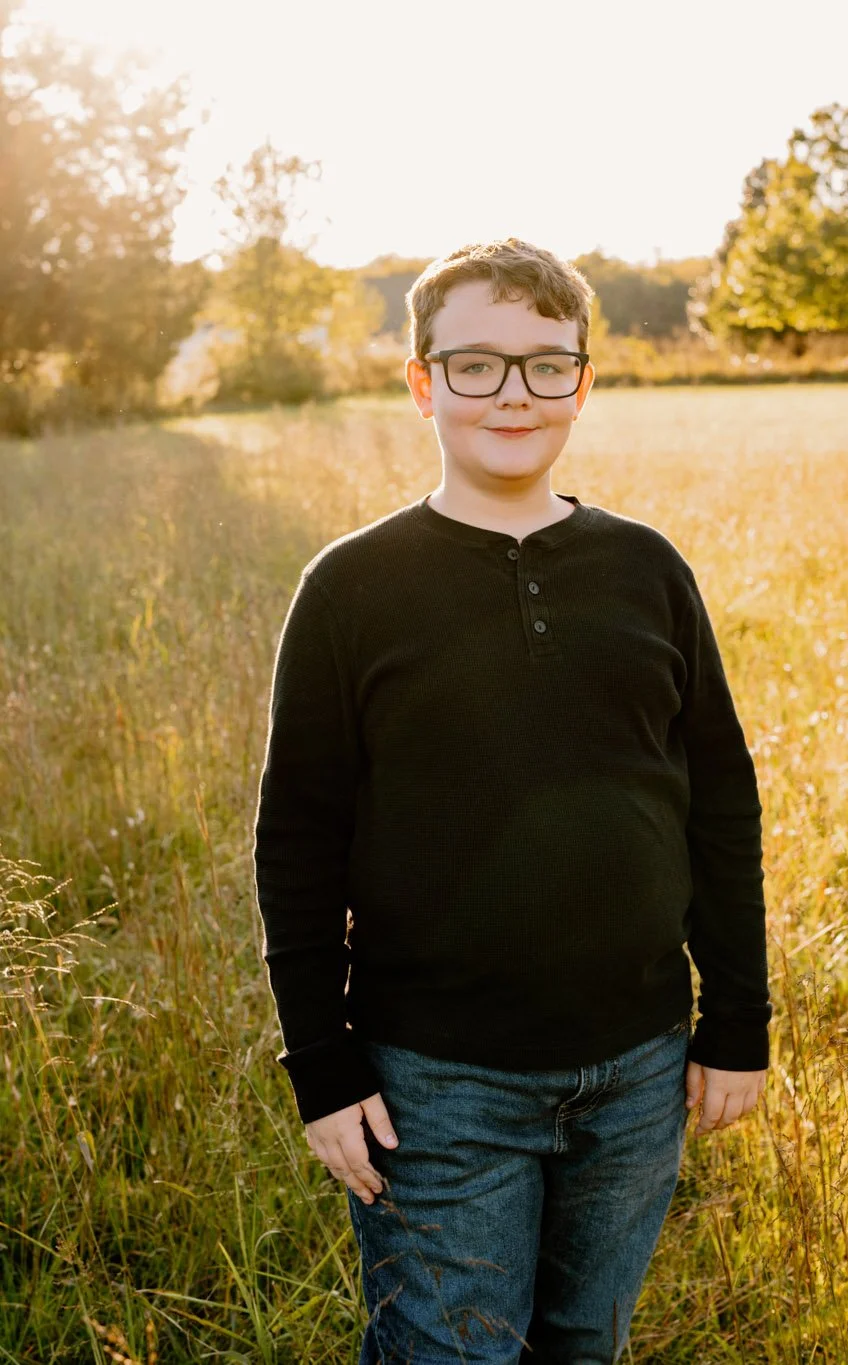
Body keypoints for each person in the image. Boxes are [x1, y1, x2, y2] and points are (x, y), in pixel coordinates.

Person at [253, 238, 770, 1363]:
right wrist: (322, 1066)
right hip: (435, 1080)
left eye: (545, 365)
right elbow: (295, 841)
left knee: (583, 1344)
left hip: (635, 1066)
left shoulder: (647, 570)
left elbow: (719, 806)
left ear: (583, 384)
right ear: (423, 383)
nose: (513, 394)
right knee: (452, 1350)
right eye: (477, 365)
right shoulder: (353, 587)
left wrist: (737, 1019)